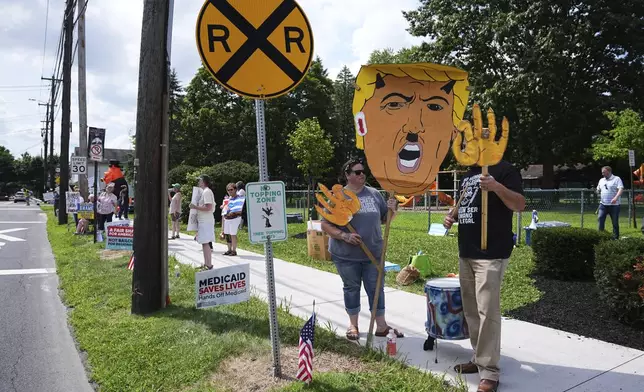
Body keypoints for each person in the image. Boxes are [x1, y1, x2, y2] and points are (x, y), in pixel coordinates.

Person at [443, 160, 525, 392]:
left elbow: (519, 204)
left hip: (491, 253)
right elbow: (467, 209)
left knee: (487, 311)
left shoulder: (504, 170)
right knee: (471, 311)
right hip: (466, 251)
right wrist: (453, 216)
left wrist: (497, 186)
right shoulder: (469, 174)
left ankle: (489, 371)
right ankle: (479, 359)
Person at [320, 158, 404, 341]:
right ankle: (353, 324)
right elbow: (325, 225)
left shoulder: (374, 194)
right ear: (347, 176)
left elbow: (384, 219)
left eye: (363, 171)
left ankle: (381, 325)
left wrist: (393, 209)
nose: (362, 174)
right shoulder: (338, 197)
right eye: (357, 172)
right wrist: (344, 236)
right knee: (351, 288)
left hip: (373, 253)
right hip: (345, 255)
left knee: (377, 289)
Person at [189, 175, 215, 270]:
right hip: (203, 221)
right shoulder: (204, 192)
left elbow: (209, 207)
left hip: (206, 221)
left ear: (203, 182)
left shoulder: (207, 192)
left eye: (199, 181)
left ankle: (209, 265)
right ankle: (206, 264)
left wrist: (195, 207)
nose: (198, 182)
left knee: (206, 242)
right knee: (204, 243)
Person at [596, 166, 624, 239]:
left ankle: (615, 238)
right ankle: (600, 236)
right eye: (602, 172)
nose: (602, 174)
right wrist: (597, 191)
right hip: (603, 204)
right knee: (600, 219)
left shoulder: (616, 179)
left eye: (604, 172)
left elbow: (621, 189)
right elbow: (598, 189)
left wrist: (616, 198)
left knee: (614, 222)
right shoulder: (601, 180)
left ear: (609, 171)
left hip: (614, 205)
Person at [222, 183, 245, 256]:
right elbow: (227, 208)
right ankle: (229, 250)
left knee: (233, 234)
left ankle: (234, 251)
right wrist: (224, 207)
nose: (229, 191)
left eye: (231, 189)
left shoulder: (240, 197)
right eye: (228, 190)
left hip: (235, 218)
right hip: (228, 217)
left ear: (235, 189)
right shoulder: (229, 199)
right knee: (227, 234)